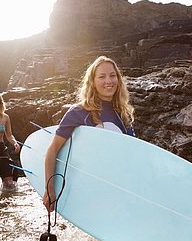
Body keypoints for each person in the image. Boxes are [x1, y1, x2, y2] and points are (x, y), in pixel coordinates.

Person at [43, 56, 135, 212]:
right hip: (90, 189)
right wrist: (50, 189)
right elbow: (52, 150)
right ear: (92, 81)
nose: (109, 81)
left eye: (113, 75)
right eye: (102, 76)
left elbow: (131, 155)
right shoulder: (79, 112)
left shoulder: (123, 113)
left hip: (117, 188)